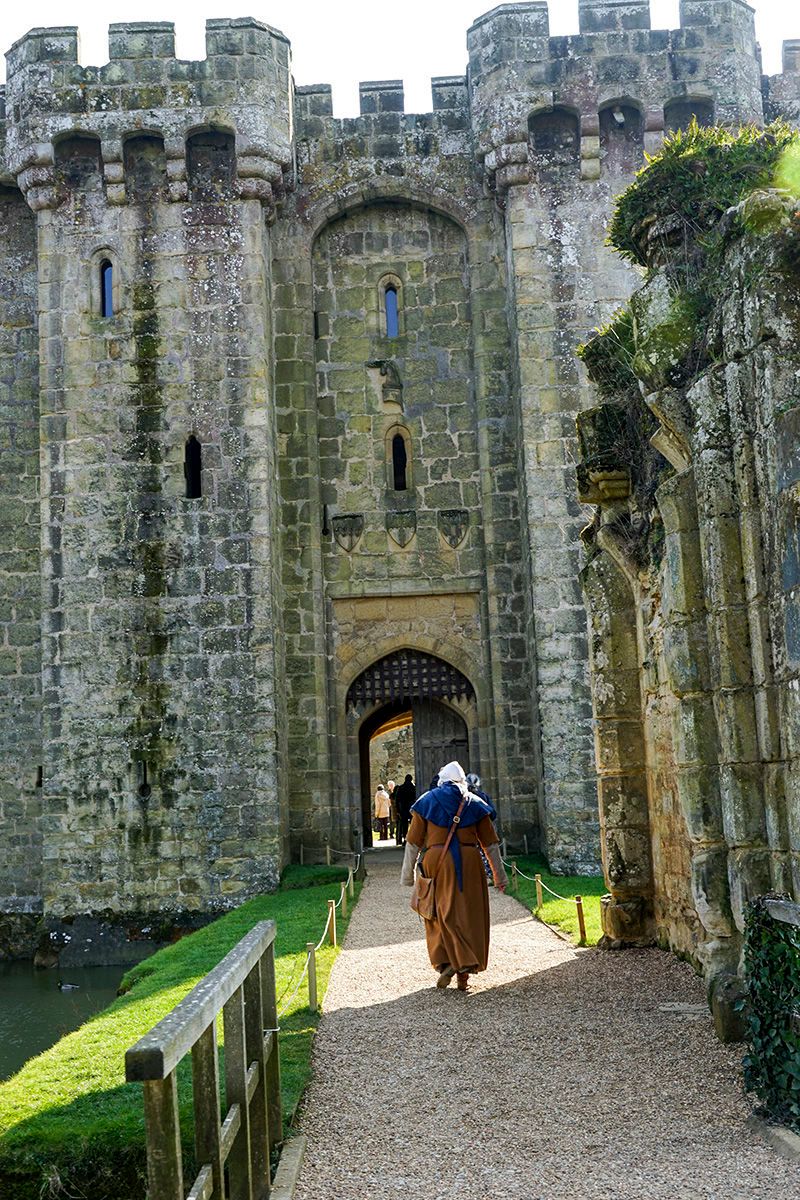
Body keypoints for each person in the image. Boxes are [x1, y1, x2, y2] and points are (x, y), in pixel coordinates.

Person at [400, 760, 507, 992]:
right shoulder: (475, 803)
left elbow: (412, 842)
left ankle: (447, 963)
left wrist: (407, 876)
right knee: (469, 915)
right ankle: (463, 972)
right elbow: (490, 844)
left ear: (442, 779)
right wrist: (500, 876)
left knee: (437, 912)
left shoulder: (427, 801)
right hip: (469, 863)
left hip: (436, 862)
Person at [393, 773, 416, 845]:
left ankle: (405, 840)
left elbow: (397, 800)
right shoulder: (414, 788)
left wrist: (398, 810)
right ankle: (413, 839)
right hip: (412, 808)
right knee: (413, 824)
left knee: (404, 825)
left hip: (403, 808)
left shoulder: (401, 788)